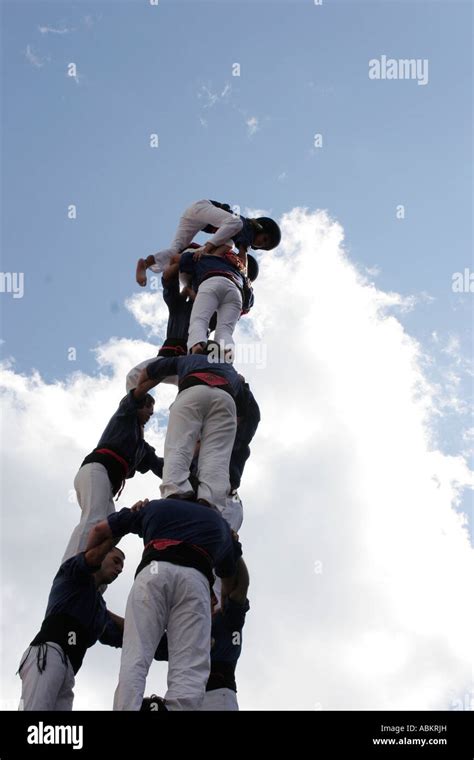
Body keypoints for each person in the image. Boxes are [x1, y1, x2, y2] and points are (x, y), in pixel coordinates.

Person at [86, 497, 242, 711]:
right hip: (195, 581)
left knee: (136, 654)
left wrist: (86, 572)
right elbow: (231, 579)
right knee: (189, 667)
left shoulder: (155, 507)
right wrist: (223, 601)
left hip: (153, 573)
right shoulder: (218, 523)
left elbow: (98, 531)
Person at [133, 343, 250, 510]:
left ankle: (175, 491)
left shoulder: (187, 359)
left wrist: (137, 396)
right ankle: (211, 501)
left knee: (180, 445)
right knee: (217, 454)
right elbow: (244, 411)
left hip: (192, 392)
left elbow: (147, 371)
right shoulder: (231, 370)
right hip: (226, 398)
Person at [17, 533, 126, 710]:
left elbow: (129, 635)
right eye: (116, 561)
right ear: (103, 554)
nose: (120, 569)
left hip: (68, 670)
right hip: (49, 654)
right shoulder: (73, 574)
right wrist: (121, 527)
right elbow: (89, 558)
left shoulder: (98, 611)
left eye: (121, 566)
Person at [62, 387, 163, 563]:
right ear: (139, 405)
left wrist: (189, 468)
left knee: (110, 528)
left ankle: (95, 577)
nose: (151, 414)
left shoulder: (141, 448)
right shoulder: (125, 415)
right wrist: (152, 377)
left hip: (106, 482)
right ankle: (71, 566)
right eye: (148, 408)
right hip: (96, 470)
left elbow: (162, 467)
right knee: (95, 518)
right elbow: (133, 397)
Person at [126, 244, 216, 391]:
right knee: (133, 377)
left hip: (190, 361)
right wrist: (184, 260)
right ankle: (137, 407)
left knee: (193, 391)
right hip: (167, 359)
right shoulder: (178, 305)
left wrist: (191, 291)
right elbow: (168, 278)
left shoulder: (211, 308)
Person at [135, 199, 281, 282]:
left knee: (176, 250)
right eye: (265, 239)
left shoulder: (239, 237)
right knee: (235, 225)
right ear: (261, 228)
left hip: (194, 217)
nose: (261, 244)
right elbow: (243, 257)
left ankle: (146, 263)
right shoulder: (247, 228)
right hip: (203, 209)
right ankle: (206, 249)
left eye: (264, 246)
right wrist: (243, 276)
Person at [179, 247, 258, 356]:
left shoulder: (210, 258)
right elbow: (247, 304)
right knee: (225, 330)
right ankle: (227, 351)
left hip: (211, 282)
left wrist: (200, 252)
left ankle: (196, 345)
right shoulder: (242, 276)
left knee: (200, 319)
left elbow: (183, 260)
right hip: (235, 293)